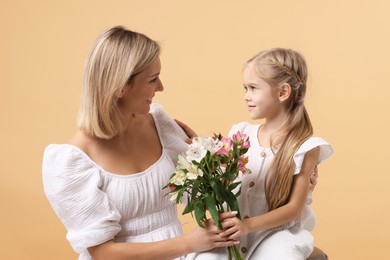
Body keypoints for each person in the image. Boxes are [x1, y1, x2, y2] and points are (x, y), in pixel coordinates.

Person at [42, 25, 239, 260]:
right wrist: (189, 243)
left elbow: (199, 196)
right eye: (153, 79)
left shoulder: (158, 122)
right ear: (121, 86)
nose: (161, 87)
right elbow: (103, 252)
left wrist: (205, 158)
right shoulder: (71, 162)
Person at [186, 48, 333, 260]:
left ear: (283, 92)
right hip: (235, 232)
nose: (246, 96)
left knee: (280, 255)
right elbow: (224, 176)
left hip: (276, 233)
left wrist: (247, 225)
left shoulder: (305, 147)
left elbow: (293, 208)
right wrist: (204, 153)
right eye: (245, 88)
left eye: (254, 88)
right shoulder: (241, 133)